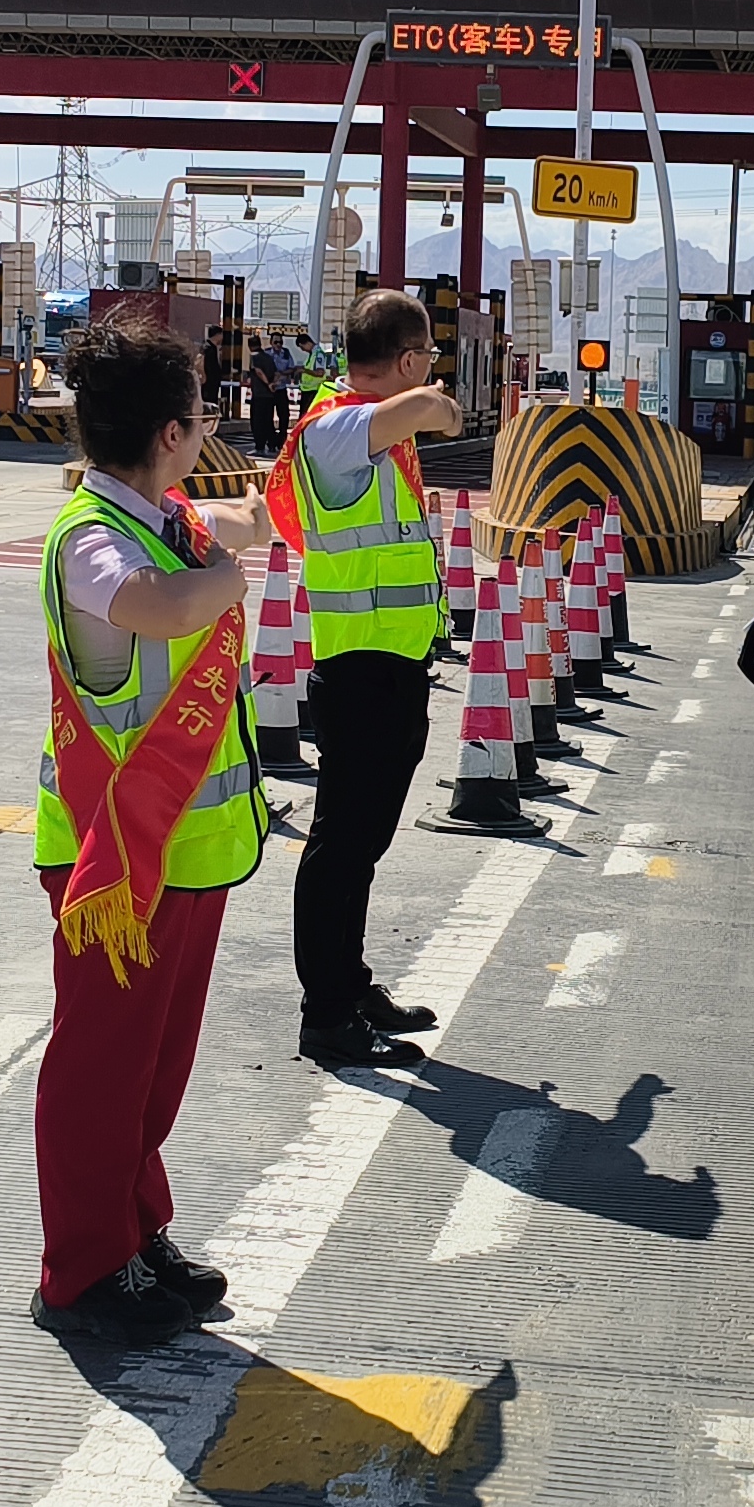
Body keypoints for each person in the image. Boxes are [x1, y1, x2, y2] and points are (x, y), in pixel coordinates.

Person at [29, 315, 273, 1347]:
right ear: (173, 434)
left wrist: (244, 526)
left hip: (187, 849)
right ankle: (83, 1271)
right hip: (115, 857)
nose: (208, 429)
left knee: (152, 1068)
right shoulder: (93, 540)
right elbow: (158, 609)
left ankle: (135, 1232)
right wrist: (230, 576)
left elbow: (228, 528)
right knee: (102, 1069)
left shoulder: (163, 518)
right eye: (204, 415)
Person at [282, 286, 464, 1067]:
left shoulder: (365, 430)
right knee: (342, 845)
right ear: (410, 359)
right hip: (358, 670)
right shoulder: (335, 429)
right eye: (428, 357)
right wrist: (440, 403)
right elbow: (425, 411)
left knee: (362, 845)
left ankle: (349, 986)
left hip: (392, 667)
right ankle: (326, 1014)